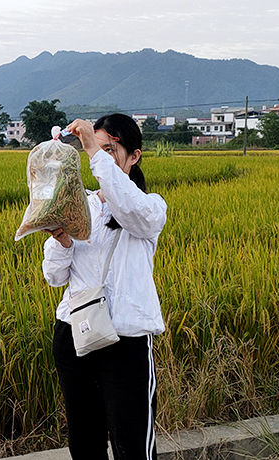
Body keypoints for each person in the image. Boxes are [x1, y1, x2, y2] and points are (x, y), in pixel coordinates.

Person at [43, 113, 167, 459]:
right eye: (94, 149)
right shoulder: (79, 204)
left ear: (134, 155)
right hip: (74, 334)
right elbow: (53, 278)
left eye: (109, 149)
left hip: (126, 343)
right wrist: (62, 241)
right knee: (85, 443)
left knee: (133, 446)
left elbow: (127, 206)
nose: (98, 157)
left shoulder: (150, 207)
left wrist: (94, 153)